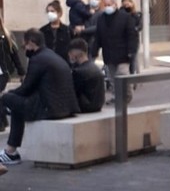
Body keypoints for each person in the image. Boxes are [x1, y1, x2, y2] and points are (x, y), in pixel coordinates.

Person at [0, 28, 80, 166]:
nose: (25, 48)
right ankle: (10, 150)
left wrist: (7, 95)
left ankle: (11, 151)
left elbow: (26, 88)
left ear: (31, 43)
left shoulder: (37, 60)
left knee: (9, 100)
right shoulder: (51, 55)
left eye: (25, 45)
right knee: (16, 105)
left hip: (49, 108)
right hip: (64, 106)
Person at [91, 0, 139, 104]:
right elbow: (98, 37)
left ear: (115, 5)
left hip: (123, 54)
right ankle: (116, 97)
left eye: (109, 5)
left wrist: (132, 51)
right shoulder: (101, 19)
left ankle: (127, 96)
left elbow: (131, 35)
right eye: (105, 5)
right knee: (113, 78)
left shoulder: (125, 17)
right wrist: (94, 52)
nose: (107, 7)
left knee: (122, 74)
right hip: (109, 54)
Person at [0, 16, 25, 131]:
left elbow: (15, 55)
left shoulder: (6, 36)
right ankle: (3, 121)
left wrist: (21, 72)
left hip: (3, 73)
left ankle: (1, 123)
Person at [68, 38, 106, 113]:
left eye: (70, 53)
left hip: (85, 107)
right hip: (98, 105)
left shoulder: (78, 72)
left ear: (73, 53)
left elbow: (73, 92)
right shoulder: (96, 68)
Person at [120, 0, 142, 75]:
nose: (127, 4)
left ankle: (133, 77)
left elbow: (140, 26)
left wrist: (135, 29)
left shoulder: (136, 14)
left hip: (133, 40)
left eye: (129, 2)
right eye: (125, 3)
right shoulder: (121, 13)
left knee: (133, 59)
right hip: (123, 40)